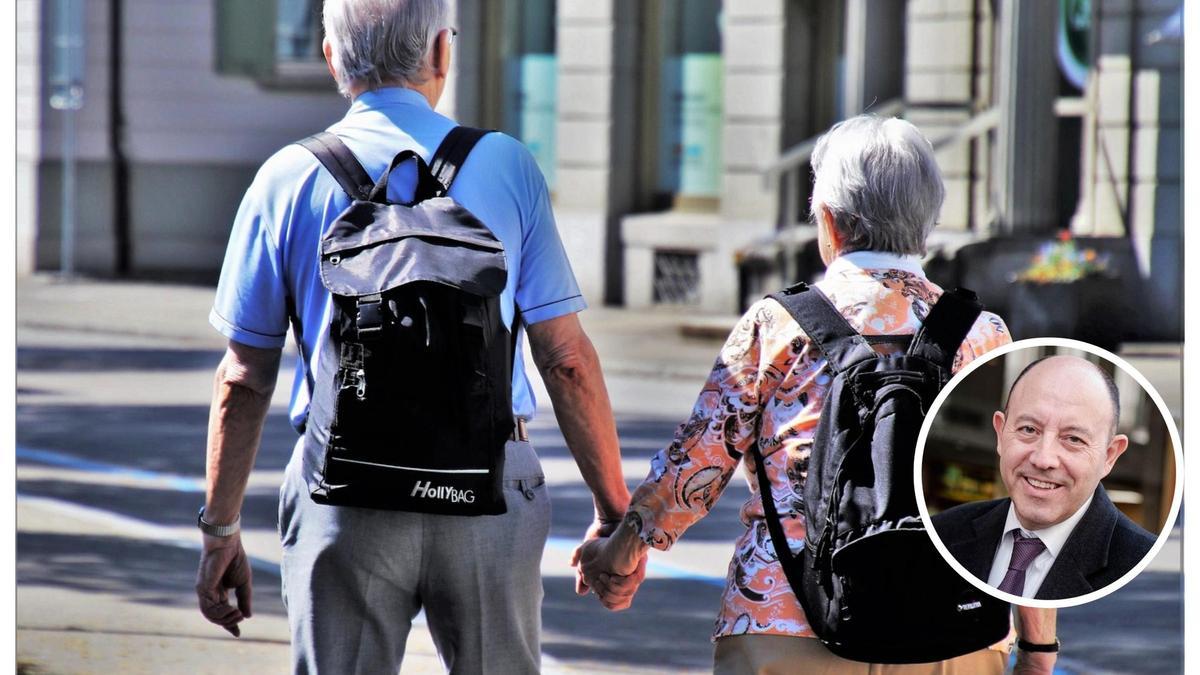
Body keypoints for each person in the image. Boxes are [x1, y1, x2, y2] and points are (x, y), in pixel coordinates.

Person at [193, 1, 643, 671]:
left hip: (343, 493)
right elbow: (566, 357)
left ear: (330, 57)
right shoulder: (508, 166)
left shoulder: (283, 179)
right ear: (441, 52)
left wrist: (221, 529)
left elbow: (244, 376)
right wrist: (615, 512)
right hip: (489, 487)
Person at [575, 115, 1058, 674]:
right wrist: (1039, 649)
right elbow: (1030, 502)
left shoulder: (777, 326)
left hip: (785, 620)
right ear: (928, 222)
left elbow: (696, 467)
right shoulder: (983, 336)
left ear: (829, 223)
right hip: (954, 627)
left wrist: (620, 551)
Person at [932, 355, 1157, 600]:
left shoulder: (1144, 566)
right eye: (1029, 429)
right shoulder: (941, 533)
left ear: (1109, 456)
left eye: (1073, 439)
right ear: (1000, 433)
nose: (1043, 459)